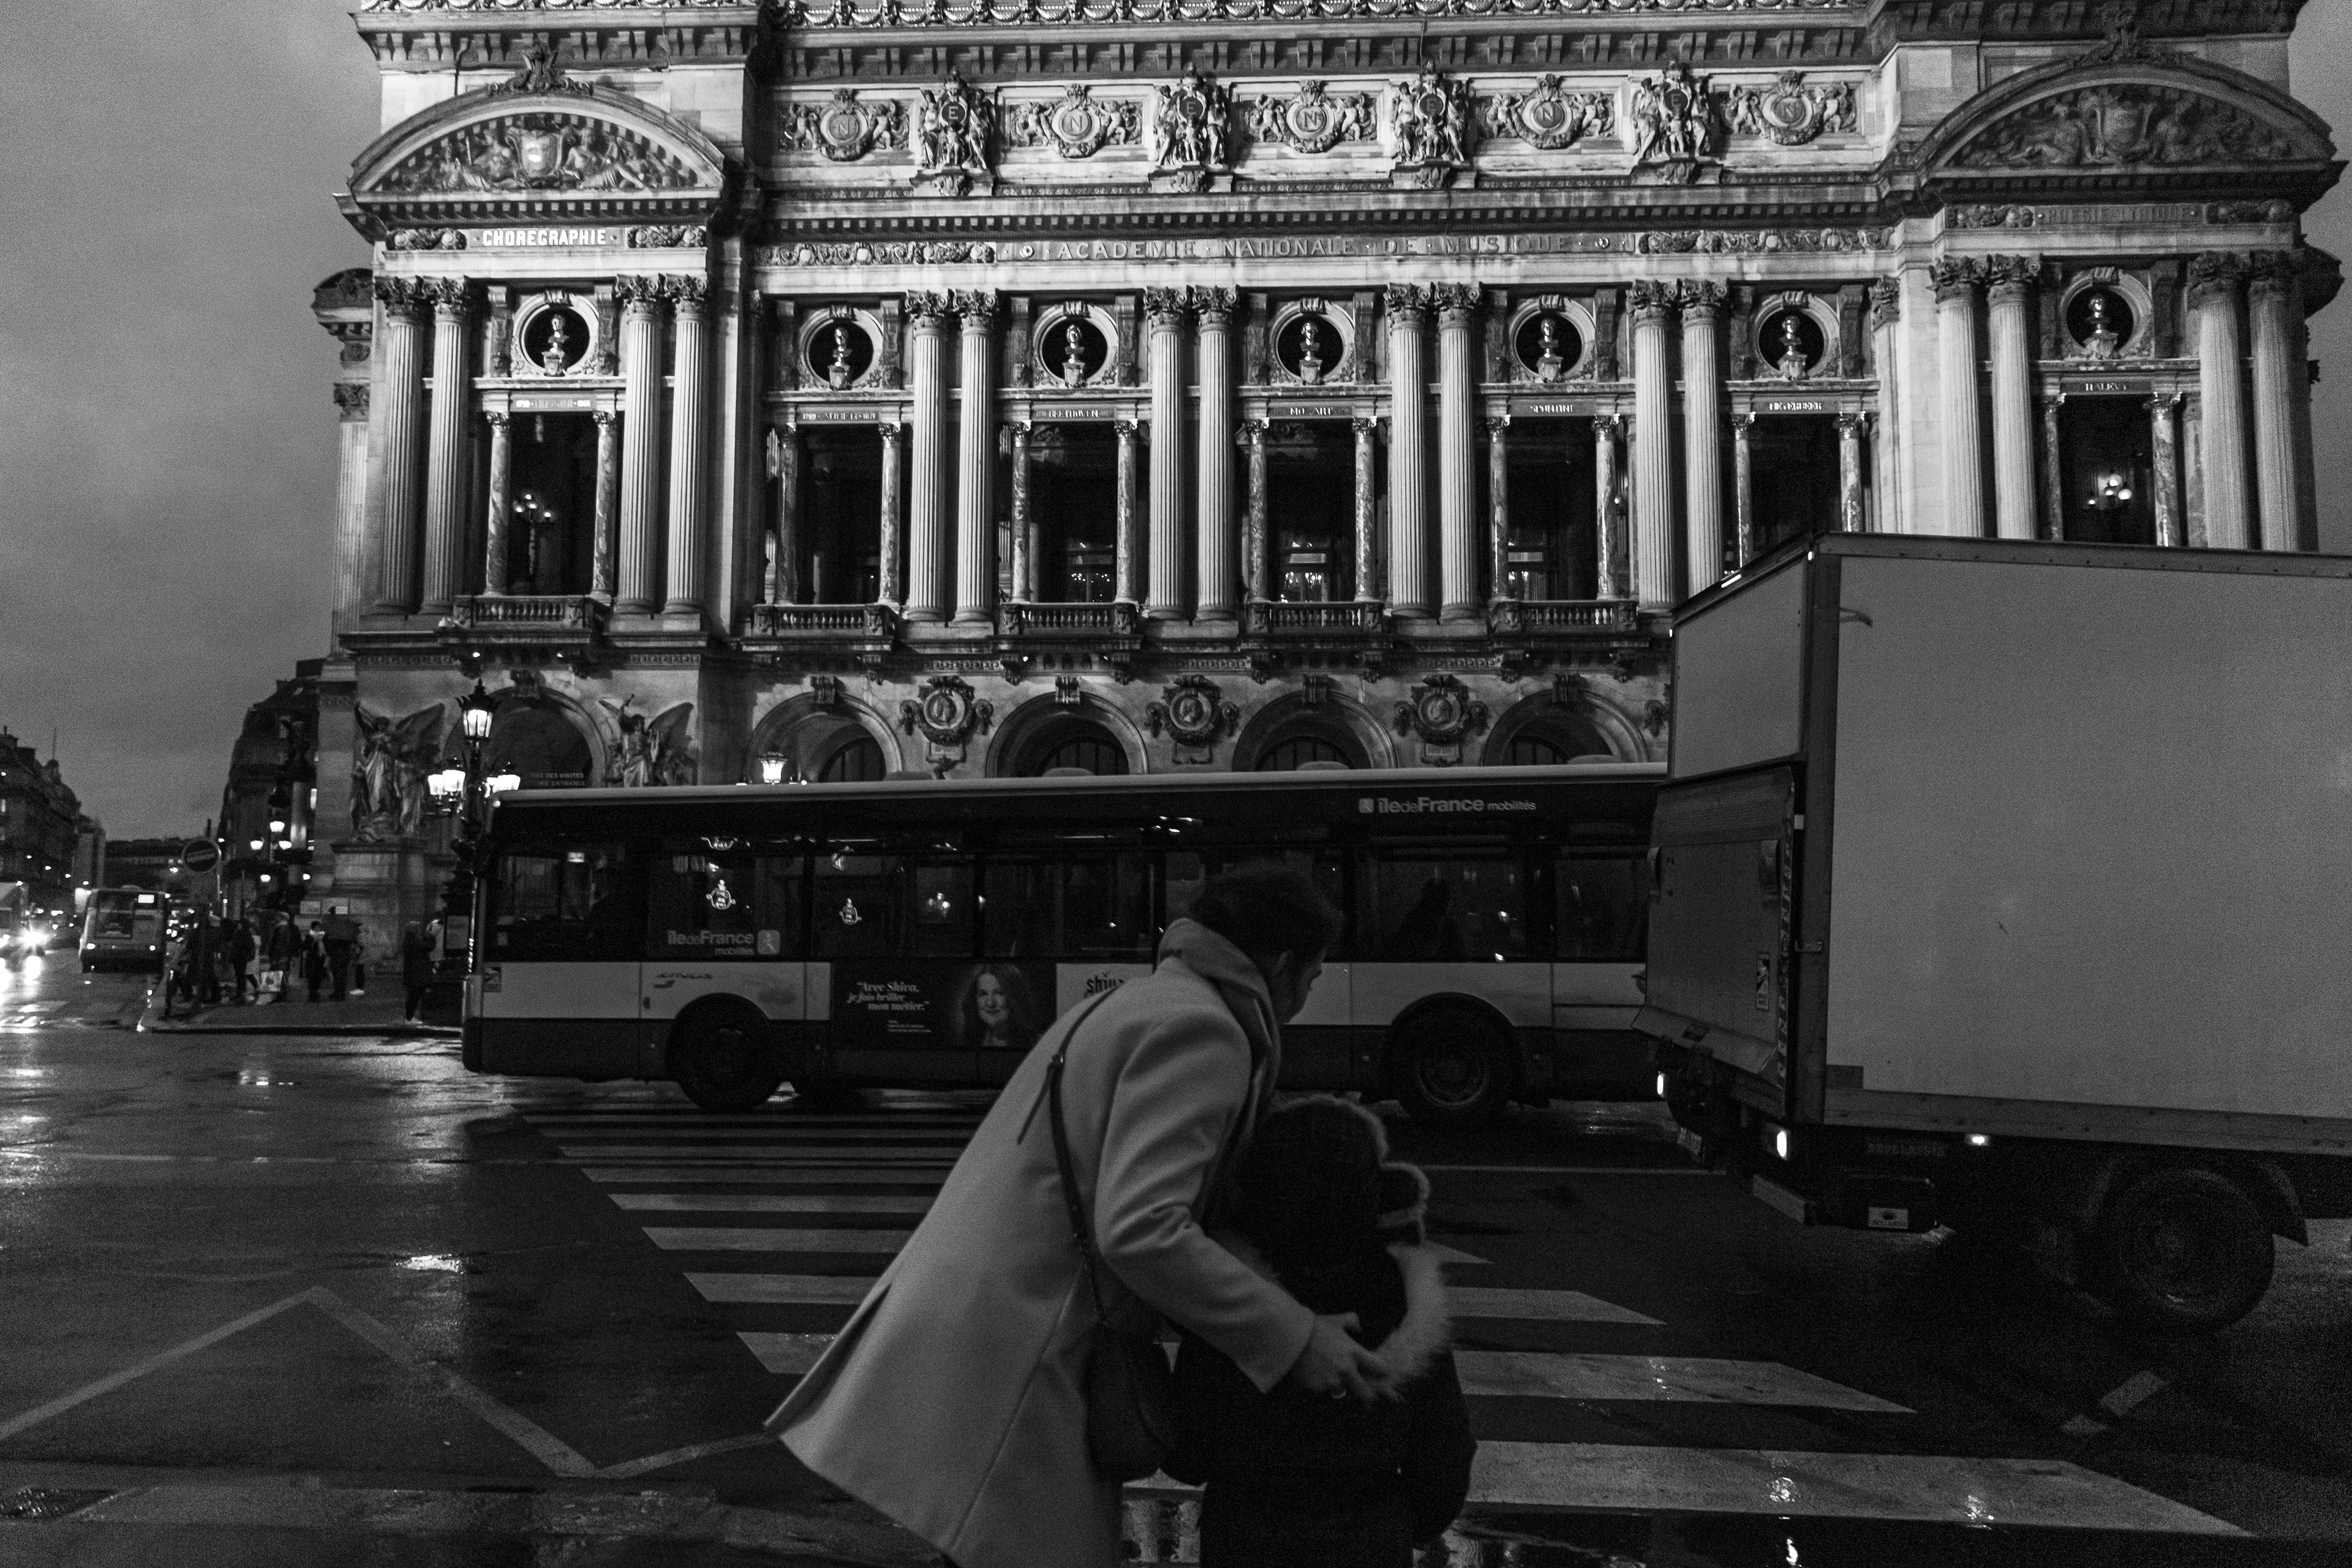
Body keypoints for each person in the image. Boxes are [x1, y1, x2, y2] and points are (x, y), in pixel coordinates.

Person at [769, 862, 1394, 1568]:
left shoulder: (1137, 1003)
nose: (1307, 998)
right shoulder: (1205, 1032)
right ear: (1282, 965)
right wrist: (1295, 1337)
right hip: (1028, 1335)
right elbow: (1142, 1228)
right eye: (1312, 978)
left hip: (985, 1318)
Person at [1166, 1096, 1476, 1567]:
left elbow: (1188, 1454)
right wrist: (1404, 1528)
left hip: (1246, 1538)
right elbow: (1445, 1453)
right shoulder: (1400, 1304)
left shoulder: (1238, 1306)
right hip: (1368, 1539)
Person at [960, 963, 1039, 1053]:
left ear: (1015, 997)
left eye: (1000, 993)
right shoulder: (970, 1044)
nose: (990, 1003)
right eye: (983, 994)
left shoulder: (1038, 1045)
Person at [402, 922, 436, 1022]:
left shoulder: (410, 940)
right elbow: (428, 947)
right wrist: (431, 937)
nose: (420, 931)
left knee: (414, 996)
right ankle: (409, 1018)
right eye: (418, 929)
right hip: (416, 975)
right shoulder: (412, 941)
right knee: (414, 997)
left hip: (414, 974)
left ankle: (410, 1017)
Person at [228, 916, 258, 1004]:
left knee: (240, 975)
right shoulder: (247, 933)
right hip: (242, 957)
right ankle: (241, 993)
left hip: (239, 957)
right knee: (241, 975)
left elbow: (237, 945)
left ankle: (240, 993)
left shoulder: (241, 933)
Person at [303, 922, 330, 1003]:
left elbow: (327, 946)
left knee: (319, 975)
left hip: (321, 958)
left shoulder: (324, 937)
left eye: (319, 928)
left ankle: (316, 990)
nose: (318, 929)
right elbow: (304, 947)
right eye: (316, 928)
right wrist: (313, 941)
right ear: (313, 928)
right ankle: (312, 991)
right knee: (312, 975)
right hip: (312, 959)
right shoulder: (309, 937)